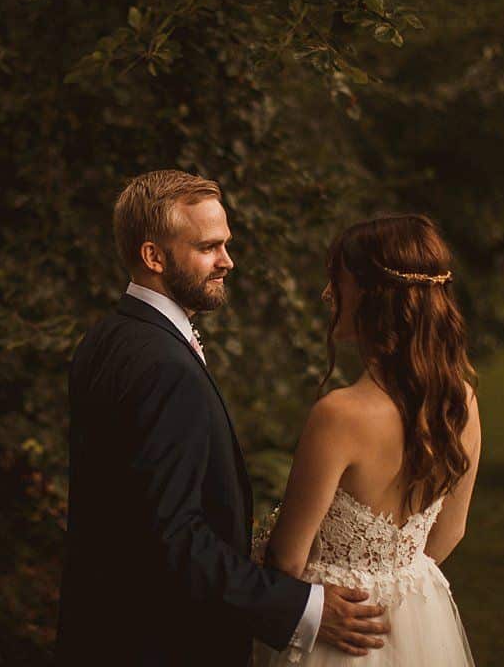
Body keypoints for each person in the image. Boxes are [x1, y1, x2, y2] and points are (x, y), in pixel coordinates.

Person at [54, 170, 390, 666]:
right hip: (159, 644)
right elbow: (171, 536)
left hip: (104, 630)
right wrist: (301, 608)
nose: (227, 262)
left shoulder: (107, 337)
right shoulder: (164, 367)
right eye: (209, 247)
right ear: (154, 257)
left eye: (226, 245)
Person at [251, 214, 481, 666]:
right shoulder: (462, 402)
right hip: (416, 622)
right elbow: (451, 530)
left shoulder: (339, 415)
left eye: (337, 281)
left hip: (339, 633)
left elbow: (287, 561)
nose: (327, 295)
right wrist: (396, 584)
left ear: (370, 295)